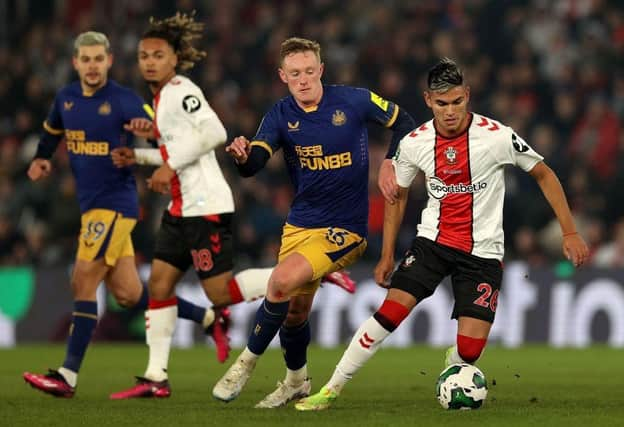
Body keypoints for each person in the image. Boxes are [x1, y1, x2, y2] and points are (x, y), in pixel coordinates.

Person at [295, 58, 590, 411]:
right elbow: (397, 196)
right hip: (432, 242)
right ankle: (331, 388)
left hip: (483, 252)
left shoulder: (496, 136)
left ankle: (457, 362)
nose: (450, 111)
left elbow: (544, 174)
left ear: (467, 95)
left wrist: (569, 232)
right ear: (427, 100)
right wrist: (388, 253)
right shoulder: (415, 142)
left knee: (469, 350)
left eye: (456, 102)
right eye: (441, 104)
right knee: (390, 312)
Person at [108, 16, 355, 400]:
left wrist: (167, 165)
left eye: (159, 55)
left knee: (220, 294)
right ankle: (156, 376)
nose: (149, 62)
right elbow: (174, 149)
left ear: (175, 59)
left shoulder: (181, 91)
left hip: (204, 203)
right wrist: (141, 156)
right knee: (158, 284)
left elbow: (214, 133)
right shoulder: (159, 99)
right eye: (143, 56)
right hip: (180, 205)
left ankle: (304, 273)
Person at [212, 37, 416, 408]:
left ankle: (245, 364)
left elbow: (405, 121)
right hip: (301, 225)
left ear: (321, 70)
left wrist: (390, 160)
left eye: (309, 71)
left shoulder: (353, 100)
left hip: (347, 229)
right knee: (293, 313)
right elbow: (254, 163)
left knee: (281, 282)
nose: (303, 80)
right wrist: (242, 157)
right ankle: (296, 381)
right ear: (282, 76)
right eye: (295, 74)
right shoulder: (279, 115)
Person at [21, 31, 221, 398]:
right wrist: (41, 158)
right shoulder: (65, 99)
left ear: (109, 61)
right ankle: (208, 317)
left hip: (115, 205)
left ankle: (67, 376)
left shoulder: (124, 100)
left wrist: (148, 133)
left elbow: (161, 133)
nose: (93, 66)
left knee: (82, 280)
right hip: (91, 209)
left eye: (99, 59)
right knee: (130, 294)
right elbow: (52, 133)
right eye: (86, 60)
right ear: (75, 63)